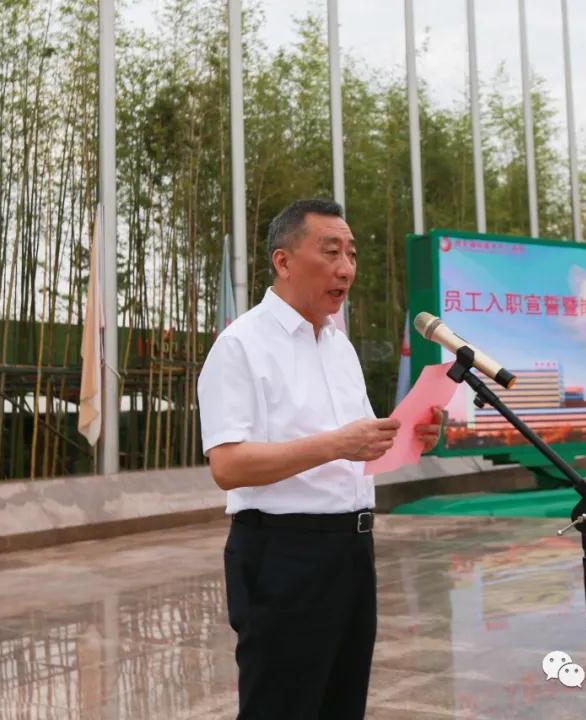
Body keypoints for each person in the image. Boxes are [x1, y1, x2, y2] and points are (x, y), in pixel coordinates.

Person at [197, 198, 443, 719]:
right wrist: (335, 444)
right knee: (282, 707)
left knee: (341, 704)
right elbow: (229, 466)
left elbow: (359, 449)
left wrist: (413, 433)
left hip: (352, 550)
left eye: (351, 254)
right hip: (283, 556)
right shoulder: (241, 345)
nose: (346, 268)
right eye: (330, 252)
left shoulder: (339, 346)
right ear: (283, 261)